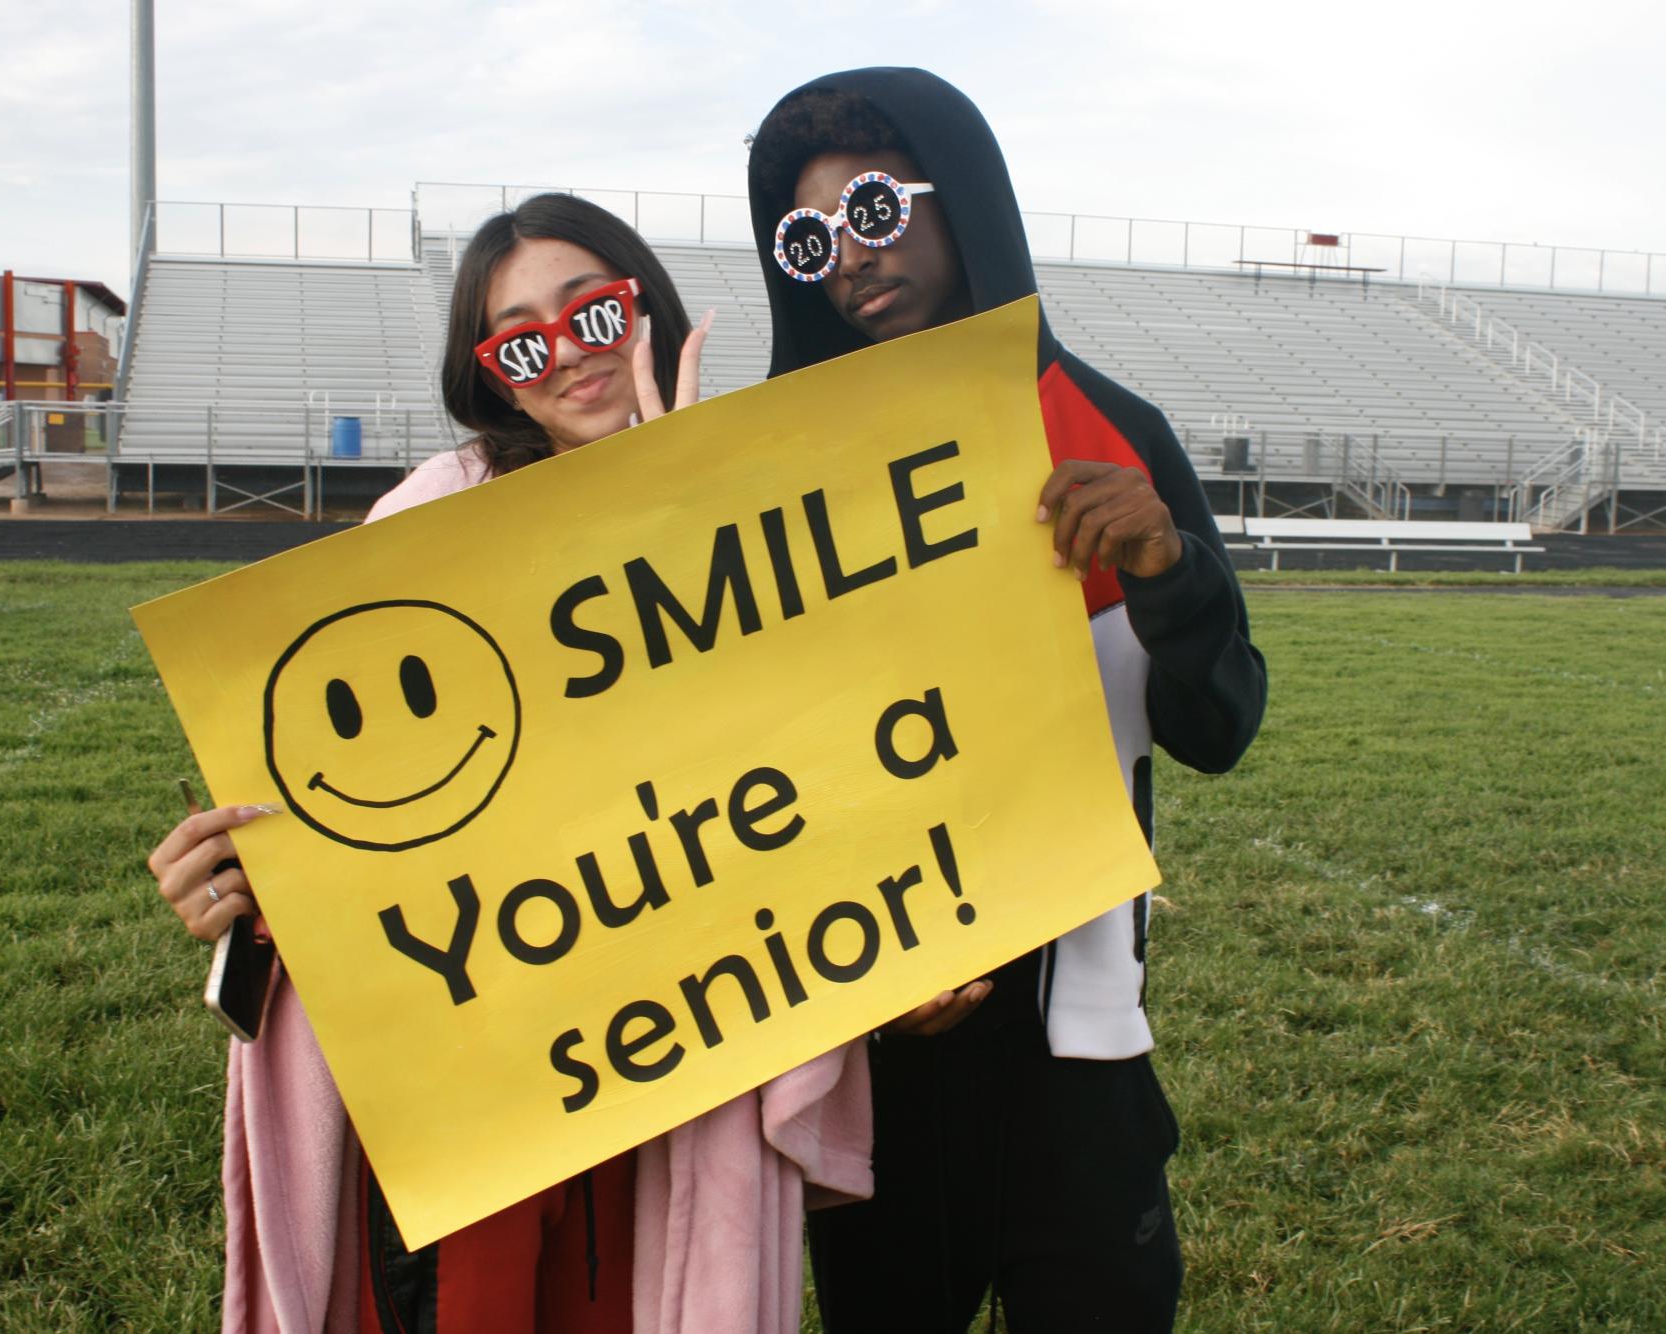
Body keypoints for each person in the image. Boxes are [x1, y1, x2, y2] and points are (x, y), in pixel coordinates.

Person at [145, 194, 871, 1334]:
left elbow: (826, 774)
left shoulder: (758, 504)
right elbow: (336, 795)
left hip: (679, 1057)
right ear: (493, 373)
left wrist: (679, 496)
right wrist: (238, 899)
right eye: (520, 338)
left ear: (644, 305)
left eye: (594, 308)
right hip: (473, 1082)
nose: (567, 351)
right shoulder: (428, 517)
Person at [746, 69, 1270, 1332]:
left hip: (1075, 1031)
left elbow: (1222, 725)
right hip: (879, 1024)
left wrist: (1169, 571)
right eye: (808, 239)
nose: (847, 262)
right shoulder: (770, 474)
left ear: (962, 197)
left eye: (874, 209)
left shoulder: (1112, 432)